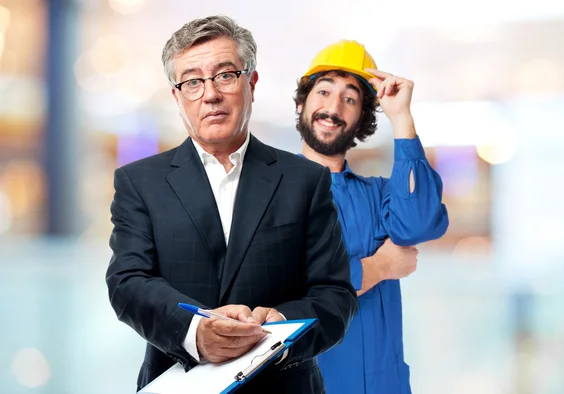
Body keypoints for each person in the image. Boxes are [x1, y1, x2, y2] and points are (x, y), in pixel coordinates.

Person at [105, 16, 358, 394]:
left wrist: (282, 328)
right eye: (192, 81)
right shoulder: (139, 182)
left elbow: (335, 294)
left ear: (250, 83)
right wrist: (194, 332)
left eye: (225, 75)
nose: (210, 94)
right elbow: (127, 281)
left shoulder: (305, 180)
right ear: (177, 97)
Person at [294, 40, 449, 394]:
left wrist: (401, 118)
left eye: (349, 99)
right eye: (323, 92)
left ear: (360, 120)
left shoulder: (378, 194)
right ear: (302, 103)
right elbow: (290, 289)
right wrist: (379, 267)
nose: (333, 107)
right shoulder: (269, 193)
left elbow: (420, 223)